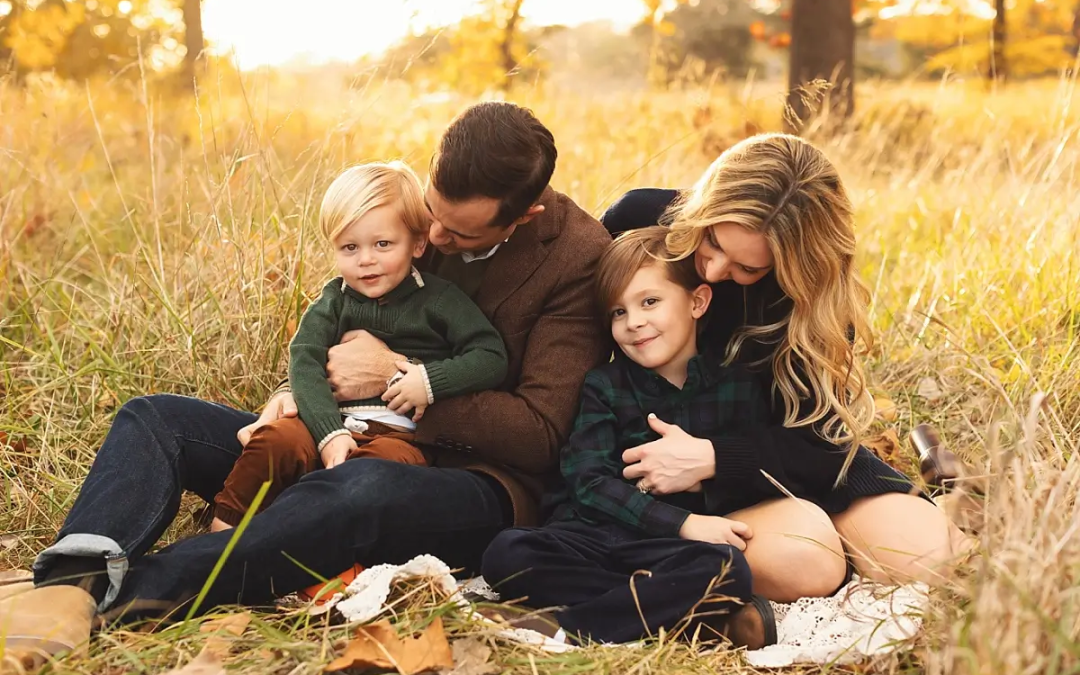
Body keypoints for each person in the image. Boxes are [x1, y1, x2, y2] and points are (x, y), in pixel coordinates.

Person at [20, 102, 611, 638]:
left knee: (360, 487)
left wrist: (395, 378)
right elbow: (341, 325)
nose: (431, 237)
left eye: (457, 235)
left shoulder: (578, 256)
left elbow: (540, 434)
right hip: (344, 433)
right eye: (431, 214)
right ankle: (74, 568)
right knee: (156, 418)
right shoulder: (418, 209)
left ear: (525, 216)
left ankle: (124, 592)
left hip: (467, 479)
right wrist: (300, 393)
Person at [599, 133, 968, 603]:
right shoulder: (638, 221)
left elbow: (819, 441)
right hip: (660, 475)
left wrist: (715, 458)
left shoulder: (814, 303)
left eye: (747, 268)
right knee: (808, 558)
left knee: (935, 558)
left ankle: (857, 524)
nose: (711, 272)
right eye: (711, 239)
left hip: (774, 460)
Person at [482, 227, 776, 647]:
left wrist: (700, 501)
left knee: (728, 570)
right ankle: (679, 620)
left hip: (664, 553)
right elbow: (587, 481)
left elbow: (745, 476)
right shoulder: (606, 384)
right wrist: (684, 522)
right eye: (617, 312)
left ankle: (569, 627)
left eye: (649, 302)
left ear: (697, 301)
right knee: (507, 553)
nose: (633, 322)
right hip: (591, 538)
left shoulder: (738, 388)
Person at [209, 161, 508, 532]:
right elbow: (305, 360)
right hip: (327, 422)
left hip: (400, 436)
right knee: (276, 442)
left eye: (382, 244)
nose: (366, 259)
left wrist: (428, 380)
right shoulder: (334, 301)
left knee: (376, 474)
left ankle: (305, 545)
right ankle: (223, 535)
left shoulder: (441, 300)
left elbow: (491, 356)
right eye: (349, 247)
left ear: (417, 243)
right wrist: (329, 434)